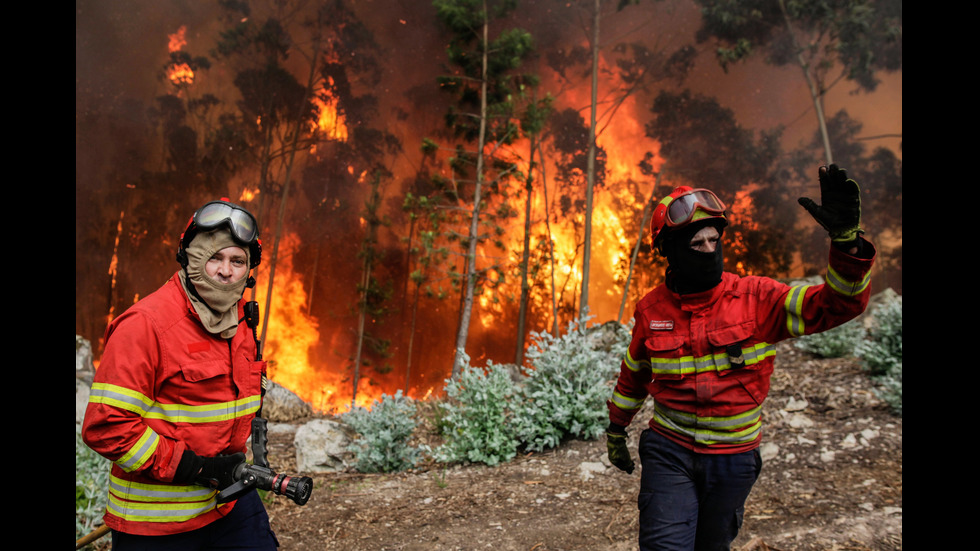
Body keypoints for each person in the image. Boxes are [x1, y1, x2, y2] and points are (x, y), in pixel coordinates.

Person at [605, 165, 876, 551]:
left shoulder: (758, 299)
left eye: (715, 240)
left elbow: (836, 305)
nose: (710, 249)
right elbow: (634, 374)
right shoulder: (652, 311)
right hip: (670, 452)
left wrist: (847, 244)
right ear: (669, 251)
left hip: (733, 459)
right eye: (697, 244)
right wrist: (617, 428)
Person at [82, 198, 279, 549]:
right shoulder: (145, 326)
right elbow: (106, 427)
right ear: (190, 259)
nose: (225, 271)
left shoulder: (241, 322)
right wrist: (195, 468)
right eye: (214, 258)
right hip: (157, 522)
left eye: (237, 261)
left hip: (229, 503)